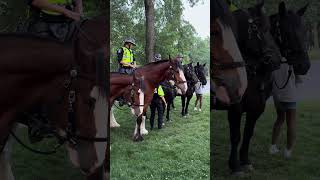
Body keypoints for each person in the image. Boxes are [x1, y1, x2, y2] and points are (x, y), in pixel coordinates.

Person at [269, 57, 303, 158]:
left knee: (279, 119)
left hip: (277, 94)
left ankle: (273, 146)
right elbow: (298, 79)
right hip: (290, 94)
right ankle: (288, 151)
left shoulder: (274, 58)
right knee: (291, 122)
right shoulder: (292, 59)